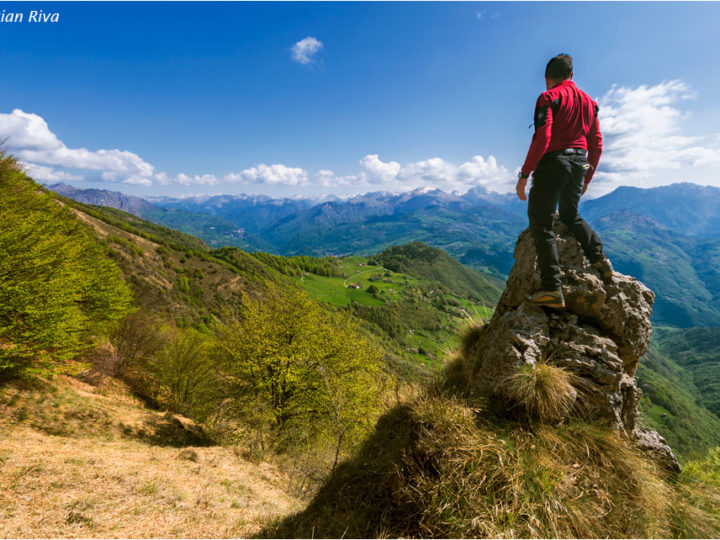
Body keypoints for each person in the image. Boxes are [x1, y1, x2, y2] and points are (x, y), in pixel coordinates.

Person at [516, 53, 614, 309]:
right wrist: (588, 176)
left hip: (554, 162)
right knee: (571, 214)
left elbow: (543, 138)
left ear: (547, 78)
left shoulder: (548, 97)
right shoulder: (590, 103)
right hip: (580, 161)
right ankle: (600, 259)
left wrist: (525, 174)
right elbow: (596, 143)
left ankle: (552, 289)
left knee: (541, 221)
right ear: (571, 76)